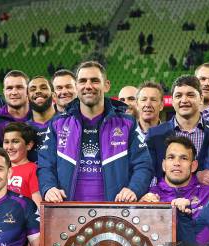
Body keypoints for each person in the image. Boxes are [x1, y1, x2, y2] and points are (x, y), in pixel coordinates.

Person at [38, 61, 152, 202]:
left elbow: (143, 164)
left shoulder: (127, 123)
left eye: (95, 81)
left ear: (106, 85)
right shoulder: (58, 124)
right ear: (77, 86)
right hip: (67, 210)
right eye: (83, 81)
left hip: (114, 212)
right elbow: (45, 165)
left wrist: (134, 188)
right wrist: (49, 188)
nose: (88, 86)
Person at [147, 75, 209, 186]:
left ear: (201, 99)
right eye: (178, 96)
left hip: (208, 200)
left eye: (190, 95)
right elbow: (149, 173)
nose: (184, 100)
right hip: (167, 200)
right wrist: (195, 176)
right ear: (172, 101)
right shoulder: (155, 134)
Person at [0, 70, 31, 142]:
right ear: (4, 92)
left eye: (19, 87)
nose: (14, 92)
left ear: (28, 91)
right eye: (9, 88)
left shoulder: (39, 118)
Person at [4, 122, 42, 206]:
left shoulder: (34, 169)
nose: (9, 147)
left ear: (29, 145)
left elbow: (38, 206)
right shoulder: (0, 170)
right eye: (6, 142)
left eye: (15, 141)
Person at [25, 76, 56, 163]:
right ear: (27, 98)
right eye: (33, 89)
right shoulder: (23, 130)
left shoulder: (67, 123)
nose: (38, 91)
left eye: (43, 88)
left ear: (54, 95)